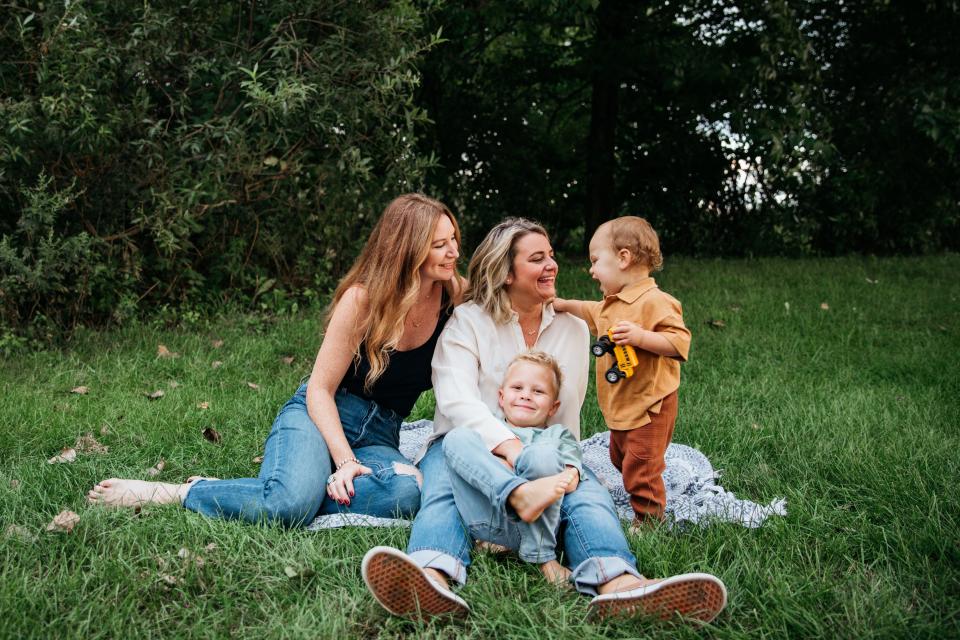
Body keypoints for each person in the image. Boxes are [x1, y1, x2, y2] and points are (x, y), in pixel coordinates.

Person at [361, 218, 727, 623]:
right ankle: (431, 576)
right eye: (537, 259)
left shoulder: (572, 328)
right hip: (469, 446)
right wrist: (509, 450)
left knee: (587, 494)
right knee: (445, 488)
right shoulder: (468, 322)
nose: (552, 265)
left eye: (551, 255)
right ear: (505, 272)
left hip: (543, 449)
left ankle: (620, 584)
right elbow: (457, 402)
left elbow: (565, 416)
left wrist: (568, 467)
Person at [87, 193, 464, 526]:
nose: (454, 253)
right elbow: (319, 390)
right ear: (407, 249)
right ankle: (181, 493)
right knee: (286, 506)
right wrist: (346, 462)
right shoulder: (362, 300)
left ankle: (270, 491)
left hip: (381, 434)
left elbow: (504, 307)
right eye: (439, 245)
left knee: (406, 494)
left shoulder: (453, 296)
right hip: (320, 417)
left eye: (454, 241)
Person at [553, 216, 689, 527]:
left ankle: (649, 520)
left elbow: (679, 343)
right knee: (620, 457)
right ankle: (639, 483)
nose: (591, 269)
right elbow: (588, 309)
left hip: (650, 403)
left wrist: (641, 338)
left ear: (623, 258)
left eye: (596, 260)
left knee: (641, 464)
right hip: (623, 402)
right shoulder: (610, 305)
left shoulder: (656, 302)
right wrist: (560, 304)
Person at [442, 350, 581, 585]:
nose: (526, 396)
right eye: (517, 388)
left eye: (538, 391)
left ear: (553, 407)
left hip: (540, 525)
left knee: (542, 454)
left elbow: (570, 478)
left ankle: (543, 559)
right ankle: (519, 499)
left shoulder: (558, 435)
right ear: (501, 396)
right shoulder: (488, 429)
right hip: (486, 520)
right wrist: (525, 482)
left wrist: (533, 468)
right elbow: (473, 469)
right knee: (457, 437)